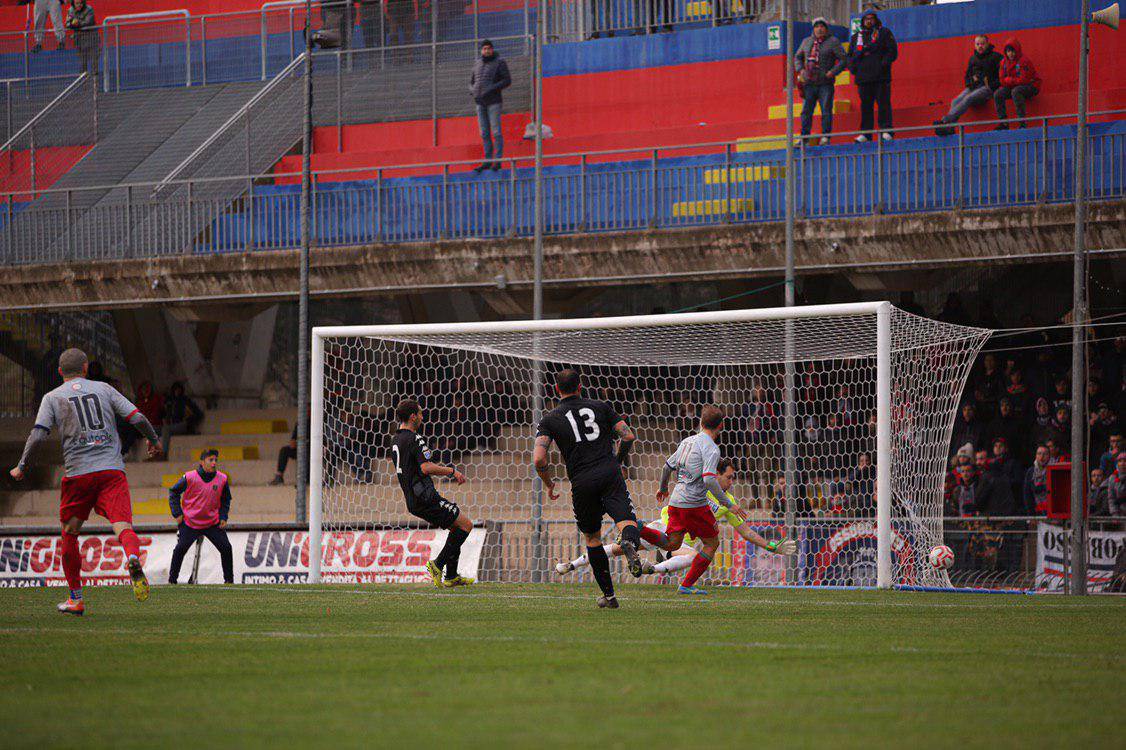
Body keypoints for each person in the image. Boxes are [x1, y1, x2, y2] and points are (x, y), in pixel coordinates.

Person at [8, 348, 159, 615]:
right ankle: (133, 558)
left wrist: (22, 465)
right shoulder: (104, 389)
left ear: (59, 372)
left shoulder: (52, 397)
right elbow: (136, 417)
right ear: (86, 368)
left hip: (78, 474)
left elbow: (38, 434)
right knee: (123, 526)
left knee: (70, 533)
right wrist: (154, 440)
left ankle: (76, 598)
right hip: (111, 471)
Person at [555, 458, 795, 577]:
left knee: (690, 554)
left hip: (680, 539)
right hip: (666, 528)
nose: (732, 482)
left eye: (734, 478)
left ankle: (649, 566)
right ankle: (572, 565)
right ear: (717, 476)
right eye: (729, 477)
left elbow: (747, 532)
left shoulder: (729, 504)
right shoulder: (701, 485)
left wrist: (771, 546)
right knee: (618, 548)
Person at [534, 368, 644, 608]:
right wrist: (617, 461)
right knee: (627, 522)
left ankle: (609, 596)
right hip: (609, 473)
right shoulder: (601, 406)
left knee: (592, 538)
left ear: (556, 390)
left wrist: (549, 482)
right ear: (580, 386)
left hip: (582, 481)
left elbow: (539, 459)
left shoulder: (550, 418)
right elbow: (628, 436)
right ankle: (629, 543)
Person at [648, 405, 743, 595]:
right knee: (712, 543)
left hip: (675, 501)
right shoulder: (712, 449)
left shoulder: (687, 441)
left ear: (700, 422)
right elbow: (709, 479)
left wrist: (663, 488)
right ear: (721, 426)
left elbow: (667, 467)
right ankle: (686, 585)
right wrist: (728, 503)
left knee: (672, 543)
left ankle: (637, 528)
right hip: (695, 505)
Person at [391, 398, 475, 587]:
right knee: (465, 525)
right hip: (425, 497)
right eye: (420, 413)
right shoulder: (414, 438)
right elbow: (426, 467)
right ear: (413, 417)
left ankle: (451, 576)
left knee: (455, 527)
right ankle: (437, 565)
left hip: (412, 500)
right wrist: (453, 471)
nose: (422, 416)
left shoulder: (396, 440)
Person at [168, 449, 234, 585]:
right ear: (202, 462)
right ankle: (172, 581)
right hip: (190, 523)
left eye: (216, 460)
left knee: (226, 548)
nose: (214, 463)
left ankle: (229, 581)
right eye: (211, 460)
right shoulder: (189, 477)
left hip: (212, 523)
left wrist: (223, 516)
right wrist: (177, 514)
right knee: (180, 549)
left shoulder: (222, 478)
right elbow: (173, 492)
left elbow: (226, 499)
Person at [934, 35, 1002, 136]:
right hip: (974, 87)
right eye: (977, 44)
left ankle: (945, 122)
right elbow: (967, 76)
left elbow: (1002, 75)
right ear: (974, 45)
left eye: (982, 44)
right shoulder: (973, 59)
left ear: (988, 44)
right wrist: (970, 83)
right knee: (955, 101)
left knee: (968, 98)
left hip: (987, 89)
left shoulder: (996, 57)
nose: (980, 46)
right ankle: (951, 128)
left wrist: (991, 85)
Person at [794, 17, 848, 145]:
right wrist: (800, 70)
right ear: (813, 29)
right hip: (808, 82)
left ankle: (826, 136)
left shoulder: (833, 41)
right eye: (817, 26)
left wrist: (832, 72)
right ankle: (804, 138)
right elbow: (797, 57)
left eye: (822, 26)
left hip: (825, 82)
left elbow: (843, 59)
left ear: (826, 28)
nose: (819, 29)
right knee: (806, 111)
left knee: (826, 109)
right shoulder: (806, 41)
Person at [848, 8, 897, 143]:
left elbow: (892, 51)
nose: (869, 21)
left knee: (883, 104)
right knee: (866, 106)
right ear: (863, 21)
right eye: (866, 19)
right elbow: (850, 56)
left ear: (876, 19)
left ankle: (886, 130)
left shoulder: (884, 33)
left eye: (871, 18)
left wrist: (883, 64)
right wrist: (854, 69)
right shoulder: (856, 37)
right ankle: (866, 133)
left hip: (881, 77)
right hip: (863, 79)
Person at [469, 40, 511, 174]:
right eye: (484, 49)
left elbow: (507, 80)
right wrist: (472, 90)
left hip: (494, 102)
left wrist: (492, 88)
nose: (486, 51)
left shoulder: (500, 62)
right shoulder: (477, 63)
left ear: (492, 49)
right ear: (481, 50)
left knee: (496, 132)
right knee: (484, 133)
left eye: (489, 48)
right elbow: (471, 82)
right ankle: (487, 161)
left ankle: (497, 161)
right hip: (480, 102)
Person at [993, 38, 1040, 129]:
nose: (1011, 53)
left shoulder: (1024, 61)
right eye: (1008, 51)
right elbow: (1001, 80)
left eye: (1013, 51)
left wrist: (1009, 80)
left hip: (1032, 86)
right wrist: (1012, 80)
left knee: (1016, 91)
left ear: (1017, 50)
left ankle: (1022, 123)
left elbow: (1024, 80)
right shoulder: (1003, 63)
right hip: (1014, 86)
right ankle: (1004, 122)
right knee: (998, 94)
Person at [159, 381, 204, 458]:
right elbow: (163, 414)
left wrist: (189, 422)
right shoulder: (169, 401)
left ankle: (163, 454)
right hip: (171, 425)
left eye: (179, 389)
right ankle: (154, 454)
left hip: (183, 425)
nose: (177, 391)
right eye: (175, 389)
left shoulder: (185, 400)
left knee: (166, 429)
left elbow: (199, 414)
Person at [65, 0, 98, 76]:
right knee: (83, 62)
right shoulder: (70, 10)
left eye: (81, 3)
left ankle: (95, 82)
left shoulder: (89, 9)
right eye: (77, 3)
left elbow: (88, 22)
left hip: (92, 38)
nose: (79, 5)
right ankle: (84, 82)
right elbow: (67, 23)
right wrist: (72, 24)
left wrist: (77, 23)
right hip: (79, 40)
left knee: (94, 62)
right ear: (73, 4)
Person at [1023, 444, 1050, 514]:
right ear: (1036, 456)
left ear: (1049, 456)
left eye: (1045, 454)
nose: (1042, 457)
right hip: (1036, 511)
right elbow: (1027, 494)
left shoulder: (1054, 470)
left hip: (1051, 511)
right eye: (1039, 454)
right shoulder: (1031, 472)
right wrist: (1031, 515)